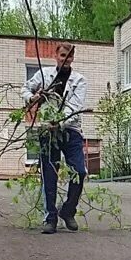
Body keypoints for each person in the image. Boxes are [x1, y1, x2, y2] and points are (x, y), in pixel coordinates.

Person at [21, 42, 88, 235]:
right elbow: (25, 89)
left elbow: (74, 107)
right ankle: (50, 218)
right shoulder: (44, 75)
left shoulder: (79, 80)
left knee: (79, 171)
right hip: (47, 132)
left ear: (73, 58)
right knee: (49, 174)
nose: (65, 59)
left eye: (69, 56)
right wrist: (33, 98)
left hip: (70, 130)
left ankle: (67, 211)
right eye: (62, 55)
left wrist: (58, 122)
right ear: (56, 56)